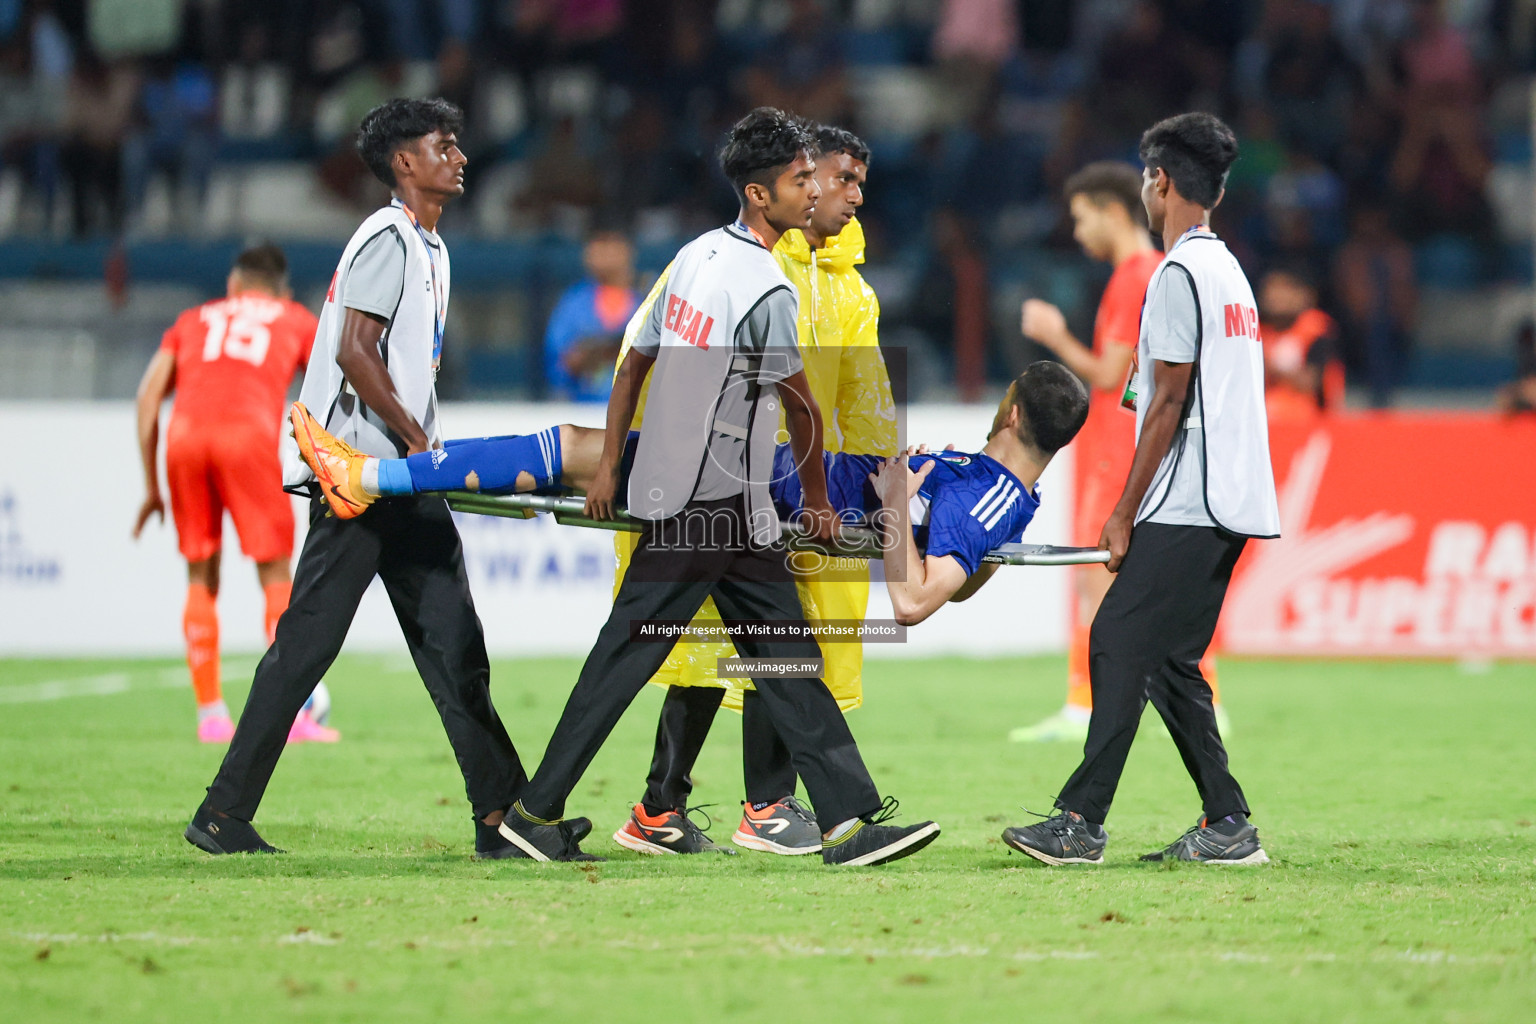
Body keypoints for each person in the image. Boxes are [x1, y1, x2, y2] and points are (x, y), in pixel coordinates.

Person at [487, 107, 936, 865]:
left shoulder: (695, 256)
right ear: (762, 195)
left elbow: (633, 360)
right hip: (710, 498)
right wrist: (822, 503)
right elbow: (799, 406)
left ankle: (849, 823)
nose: (811, 191)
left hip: (712, 495)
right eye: (801, 180)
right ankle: (533, 812)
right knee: (626, 657)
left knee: (787, 658)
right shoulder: (766, 284)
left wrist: (608, 468)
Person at [184, 98, 571, 862]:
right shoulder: (388, 236)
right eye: (444, 145)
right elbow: (358, 350)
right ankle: (222, 812)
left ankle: (499, 816)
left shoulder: (431, 247)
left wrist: (418, 455)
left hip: (398, 475)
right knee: (307, 646)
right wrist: (422, 444)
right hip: (361, 478)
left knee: (455, 643)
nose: (460, 157)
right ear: (405, 163)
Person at [291, 361, 1085, 632]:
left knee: (577, 451)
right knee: (582, 453)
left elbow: (915, 602)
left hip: (764, 486)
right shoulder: (1000, 495)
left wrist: (890, 500)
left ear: (1011, 412)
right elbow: (966, 576)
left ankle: (364, 477)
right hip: (775, 478)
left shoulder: (990, 494)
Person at [611, 123, 897, 857]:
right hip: (721, 486)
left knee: (765, 643)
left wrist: (870, 483)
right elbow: (645, 349)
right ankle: (742, 807)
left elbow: (862, 401)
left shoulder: (852, 292)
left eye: (859, 182)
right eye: (839, 179)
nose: (853, 196)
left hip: (796, 488)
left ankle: (679, 809)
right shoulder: (749, 263)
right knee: (725, 645)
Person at [1001, 113, 1280, 867]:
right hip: (1233, 497)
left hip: (1189, 496)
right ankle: (1228, 825)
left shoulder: (1177, 274)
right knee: (1168, 661)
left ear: (1159, 183)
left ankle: (1079, 823)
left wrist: (1124, 510)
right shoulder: (1228, 273)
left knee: (1119, 638)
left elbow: (1167, 401)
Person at [133, 243, 326, 744]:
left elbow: (149, 397)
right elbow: (329, 385)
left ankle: (212, 715)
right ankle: (296, 716)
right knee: (275, 573)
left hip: (184, 439)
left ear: (234, 285)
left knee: (200, 574)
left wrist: (152, 487)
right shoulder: (294, 317)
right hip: (249, 439)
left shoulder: (194, 318)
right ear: (280, 289)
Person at [543, 230, 639, 402]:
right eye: (597, 251)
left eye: (609, 248)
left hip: (640, 411)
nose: (603, 258)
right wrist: (590, 354)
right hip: (585, 407)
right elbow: (557, 362)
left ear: (626, 252)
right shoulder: (574, 302)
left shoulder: (649, 298)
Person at [1258, 264, 1344, 421]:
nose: (1275, 295)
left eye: (1284, 288)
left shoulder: (1317, 328)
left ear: (1303, 294)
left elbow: (1310, 381)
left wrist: (1271, 366)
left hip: (1307, 421)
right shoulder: (1256, 330)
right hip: (1264, 419)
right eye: (1271, 288)